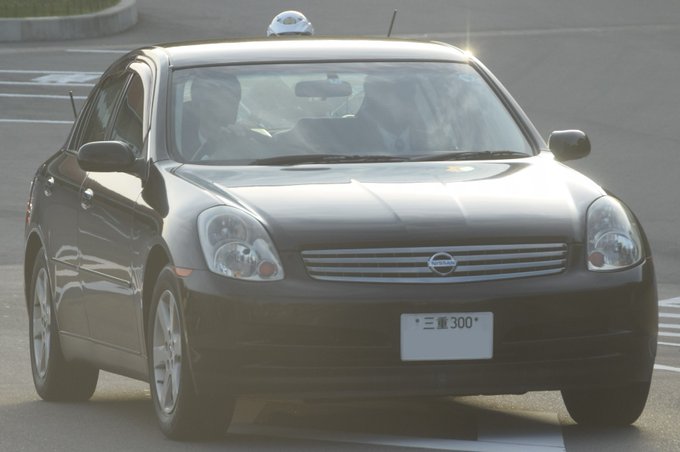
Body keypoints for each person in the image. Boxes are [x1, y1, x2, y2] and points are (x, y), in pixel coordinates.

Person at [185, 72, 269, 161]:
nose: (220, 112)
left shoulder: (254, 142)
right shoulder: (178, 147)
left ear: (237, 106)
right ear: (195, 106)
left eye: (227, 102)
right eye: (212, 104)